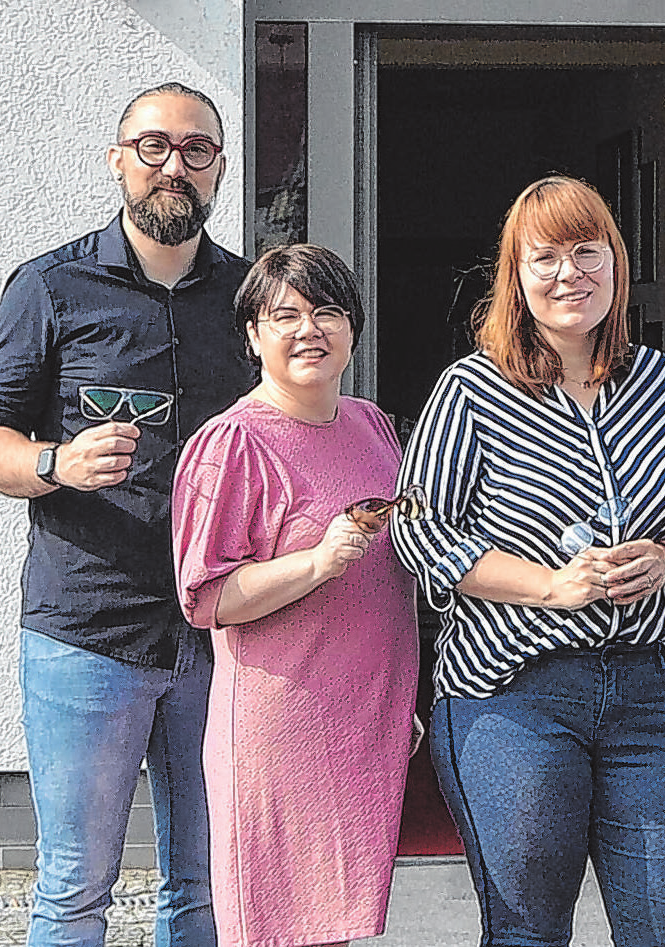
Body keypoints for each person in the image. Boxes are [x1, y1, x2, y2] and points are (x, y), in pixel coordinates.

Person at [392, 175, 665, 947]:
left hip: (651, 692)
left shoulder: (660, 382)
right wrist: (547, 585)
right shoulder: (470, 390)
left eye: (586, 250)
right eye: (545, 257)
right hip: (514, 697)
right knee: (526, 932)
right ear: (516, 276)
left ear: (615, 261)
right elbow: (417, 531)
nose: (569, 272)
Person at [0, 82, 248, 947]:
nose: (174, 166)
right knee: (75, 888)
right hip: (85, 633)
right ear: (118, 160)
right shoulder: (50, 286)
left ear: (220, 170)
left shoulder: (250, 298)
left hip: (222, 632)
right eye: (153, 146)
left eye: (196, 150)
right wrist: (57, 462)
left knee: (207, 886)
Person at [171, 244, 419, 946]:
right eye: (285, 315)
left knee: (333, 925)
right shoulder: (232, 443)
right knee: (275, 927)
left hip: (363, 722)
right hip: (281, 732)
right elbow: (206, 596)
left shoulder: (371, 425)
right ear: (253, 335)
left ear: (352, 328)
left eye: (328, 312)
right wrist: (315, 562)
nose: (309, 329)